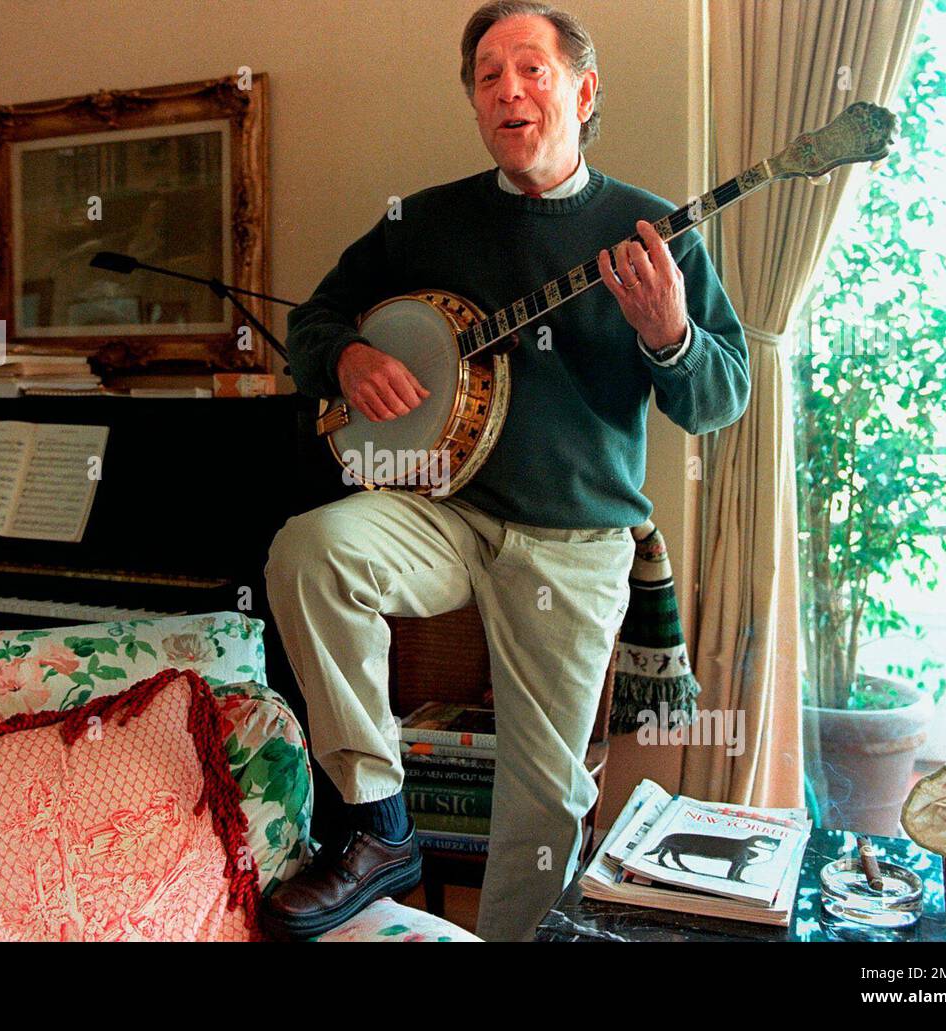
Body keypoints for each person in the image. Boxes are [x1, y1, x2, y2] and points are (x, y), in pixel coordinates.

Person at [263, 0, 749, 941]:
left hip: (575, 538)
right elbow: (314, 316)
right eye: (487, 76)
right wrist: (347, 359)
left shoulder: (655, 228)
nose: (508, 91)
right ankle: (378, 823)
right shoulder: (425, 221)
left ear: (582, 88)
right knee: (310, 550)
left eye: (530, 68)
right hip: (445, 512)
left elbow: (720, 396)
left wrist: (671, 336)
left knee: (543, 803)